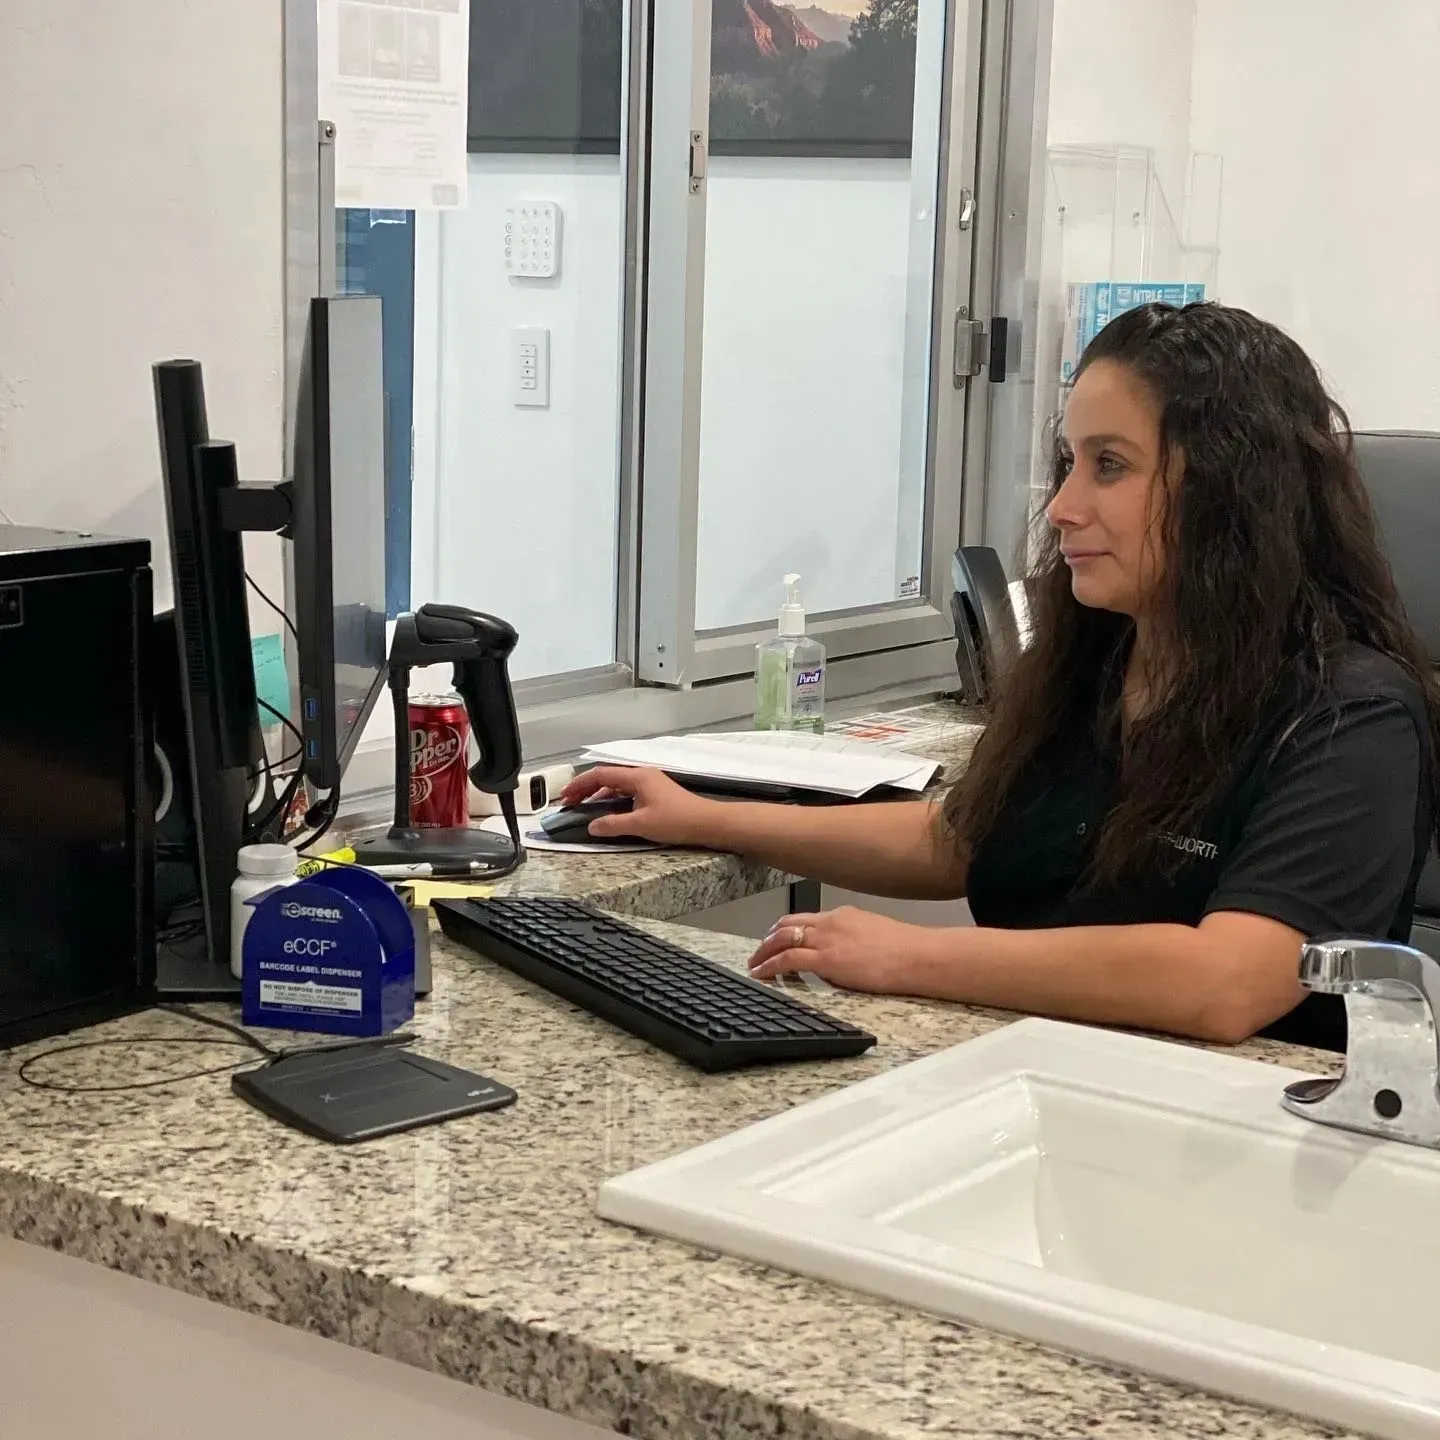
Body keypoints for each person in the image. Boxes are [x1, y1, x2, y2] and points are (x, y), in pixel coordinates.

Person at [559, 302, 1440, 1051]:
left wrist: (909, 957)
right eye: (1069, 464)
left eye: (1111, 465)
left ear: (1231, 491)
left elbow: (1229, 983)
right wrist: (703, 815)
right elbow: (960, 842)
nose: (1062, 508)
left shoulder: (1351, 718)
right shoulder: (1103, 661)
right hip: (1038, 1077)